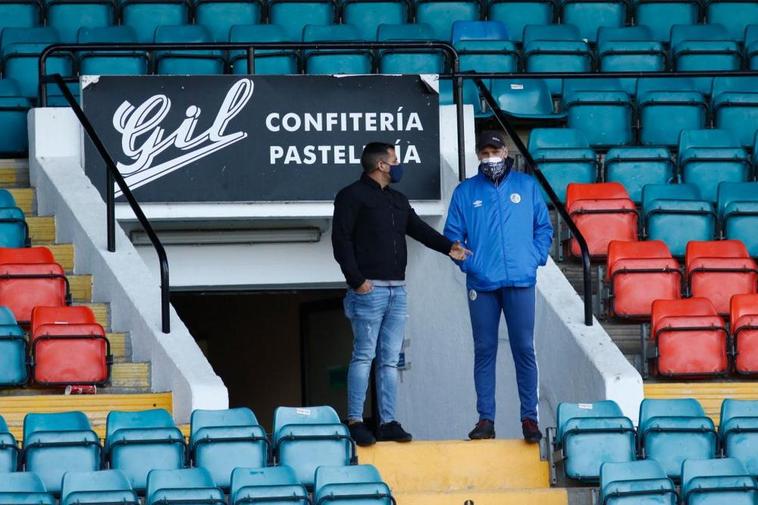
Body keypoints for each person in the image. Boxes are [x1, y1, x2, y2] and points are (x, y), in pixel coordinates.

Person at [332, 142, 470, 447]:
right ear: (381, 165)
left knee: (390, 360)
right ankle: (355, 420)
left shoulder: (397, 199)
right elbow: (340, 240)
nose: (399, 165)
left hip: (397, 288)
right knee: (364, 355)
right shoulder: (351, 196)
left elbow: (419, 229)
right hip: (369, 290)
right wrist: (357, 281)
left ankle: (388, 422)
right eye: (395, 160)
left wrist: (449, 248)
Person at [443, 131, 553, 443]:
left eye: (494, 150)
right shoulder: (465, 191)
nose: (490, 156)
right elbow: (453, 237)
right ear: (478, 155)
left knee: (523, 349)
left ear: (505, 151)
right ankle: (485, 419)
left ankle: (529, 419)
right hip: (482, 284)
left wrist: (532, 259)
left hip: (520, 280)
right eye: (484, 152)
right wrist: (470, 264)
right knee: (485, 350)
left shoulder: (526, 186)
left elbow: (543, 228)